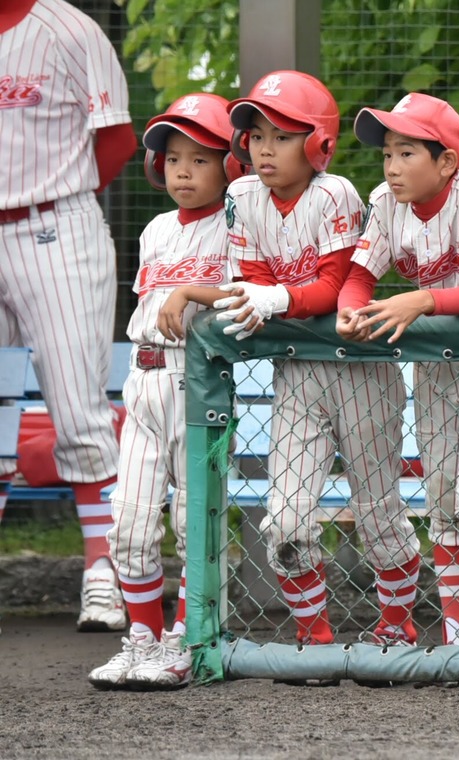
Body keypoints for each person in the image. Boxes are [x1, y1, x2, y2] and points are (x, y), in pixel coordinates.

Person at [215, 70, 420, 649]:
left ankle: (396, 628)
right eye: (256, 136)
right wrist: (257, 302)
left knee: (378, 511)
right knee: (284, 518)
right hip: (299, 375)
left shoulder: (336, 194)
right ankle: (316, 636)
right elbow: (253, 278)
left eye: (281, 136)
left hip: (360, 370)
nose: (264, 149)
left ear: (317, 144)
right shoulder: (240, 196)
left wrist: (275, 299)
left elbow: (334, 287)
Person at [336, 93, 459, 647]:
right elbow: (357, 276)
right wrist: (351, 308)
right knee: (441, 494)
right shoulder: (384, 201)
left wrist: (417, 302)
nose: (392, 167)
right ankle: (457, 636)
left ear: (445, 162)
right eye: (387, 154)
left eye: (406, 152)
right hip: (434, 368)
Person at [88, 94, 241, 689]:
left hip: (196, 381)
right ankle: (143, 638)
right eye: (173, 157)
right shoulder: (154, 230)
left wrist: (190, 295)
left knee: (189, 521)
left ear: (230, 165)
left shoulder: (237, 223)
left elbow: (244, 296)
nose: (181, 170)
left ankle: (189, 638)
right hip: (143, 379)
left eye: (199, 159)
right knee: (127, 521)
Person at [0, 0, 137, 632]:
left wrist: (61, 194)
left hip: (53, 225)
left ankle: (103, 574)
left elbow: (116, 140)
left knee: (79, 410)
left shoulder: (69, 28)